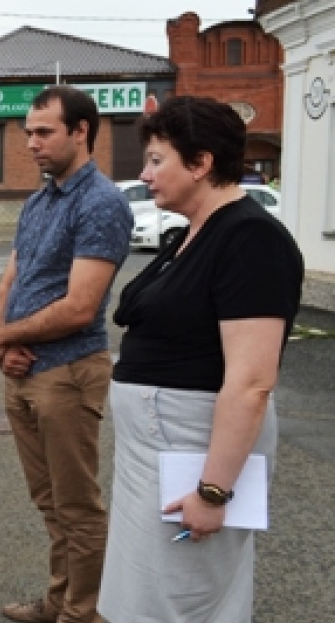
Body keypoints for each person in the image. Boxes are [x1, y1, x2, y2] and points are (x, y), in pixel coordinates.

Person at [99, 96, 304, 622]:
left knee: (179, 599)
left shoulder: (251, 239)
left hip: (191, 453)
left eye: (156, 160)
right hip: (159, 449)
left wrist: (213, 492)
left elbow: (252, 381)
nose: (145, 174)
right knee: (146, 594)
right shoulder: (191, 233)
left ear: (201, 162)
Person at [0, 86, 133, 623]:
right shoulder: (38, 201)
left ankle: (81, 613)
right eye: (28, 132)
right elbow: (11, 281)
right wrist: (3, 345)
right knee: (50, 503)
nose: (31, 143)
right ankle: (59, 600)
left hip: (68, 374)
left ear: (81, 131)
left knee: (78, 508)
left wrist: (2, 339)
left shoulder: (102, 203)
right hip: (25, 372)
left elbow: (79, 307)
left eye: (44, 132)